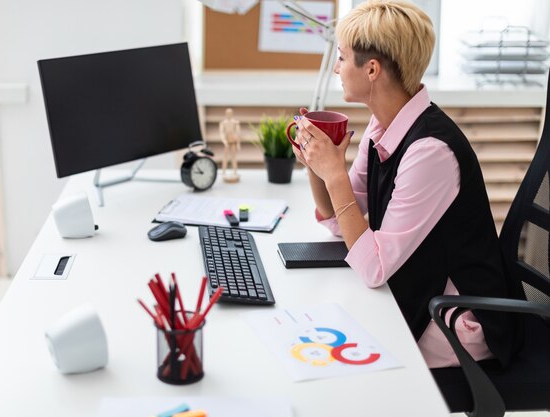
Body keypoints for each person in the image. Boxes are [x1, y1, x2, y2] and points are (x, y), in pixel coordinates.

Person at [293, 0, 520, 369]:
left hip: (455, 323)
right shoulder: (383, 125)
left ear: (371, 69)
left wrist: (334, 173)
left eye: (341, 56)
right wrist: (314, 163)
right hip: (415, 293)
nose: (336, 67)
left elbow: (374, 265)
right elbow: (341, 222)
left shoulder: (430, 150)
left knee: (328, 359)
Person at [219, 108, 241, 183]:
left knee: (233, 157)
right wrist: (224, 141)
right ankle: (223, 171)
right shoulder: (223, 123)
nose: (229, 114)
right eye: (227, 113)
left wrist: (238, 143)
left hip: (233, 141)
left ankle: (235, 171)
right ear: (226, 114)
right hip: (226, 141)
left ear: (232, 114)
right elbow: (221, 133)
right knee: (225, 157)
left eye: (230, 113)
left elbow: (238, 133)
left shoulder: (235, 122)